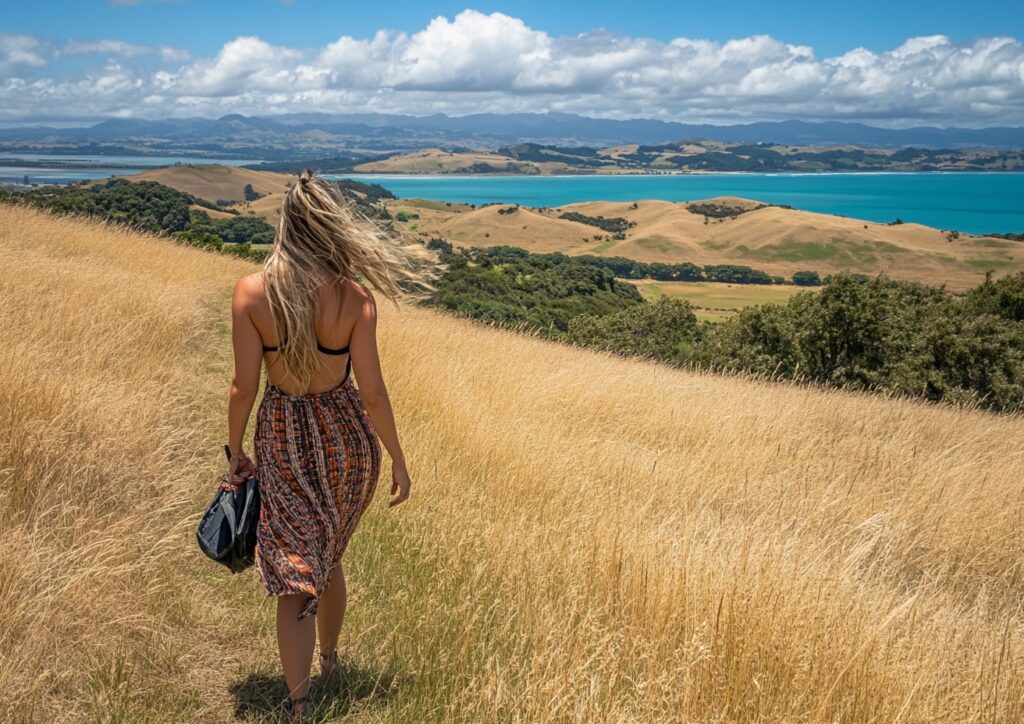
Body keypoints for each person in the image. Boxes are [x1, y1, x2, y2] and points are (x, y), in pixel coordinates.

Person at [224, 169, 438, 722]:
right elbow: (373, 394)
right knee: (329, 556)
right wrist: (397, 457)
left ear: (285, 223)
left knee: (298, 569)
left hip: (285, 440)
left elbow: (244, 385)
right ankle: (330, 660)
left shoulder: (252, 292)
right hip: (348, 444)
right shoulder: (355, 297)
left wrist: (233, 451)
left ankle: (299, 705)